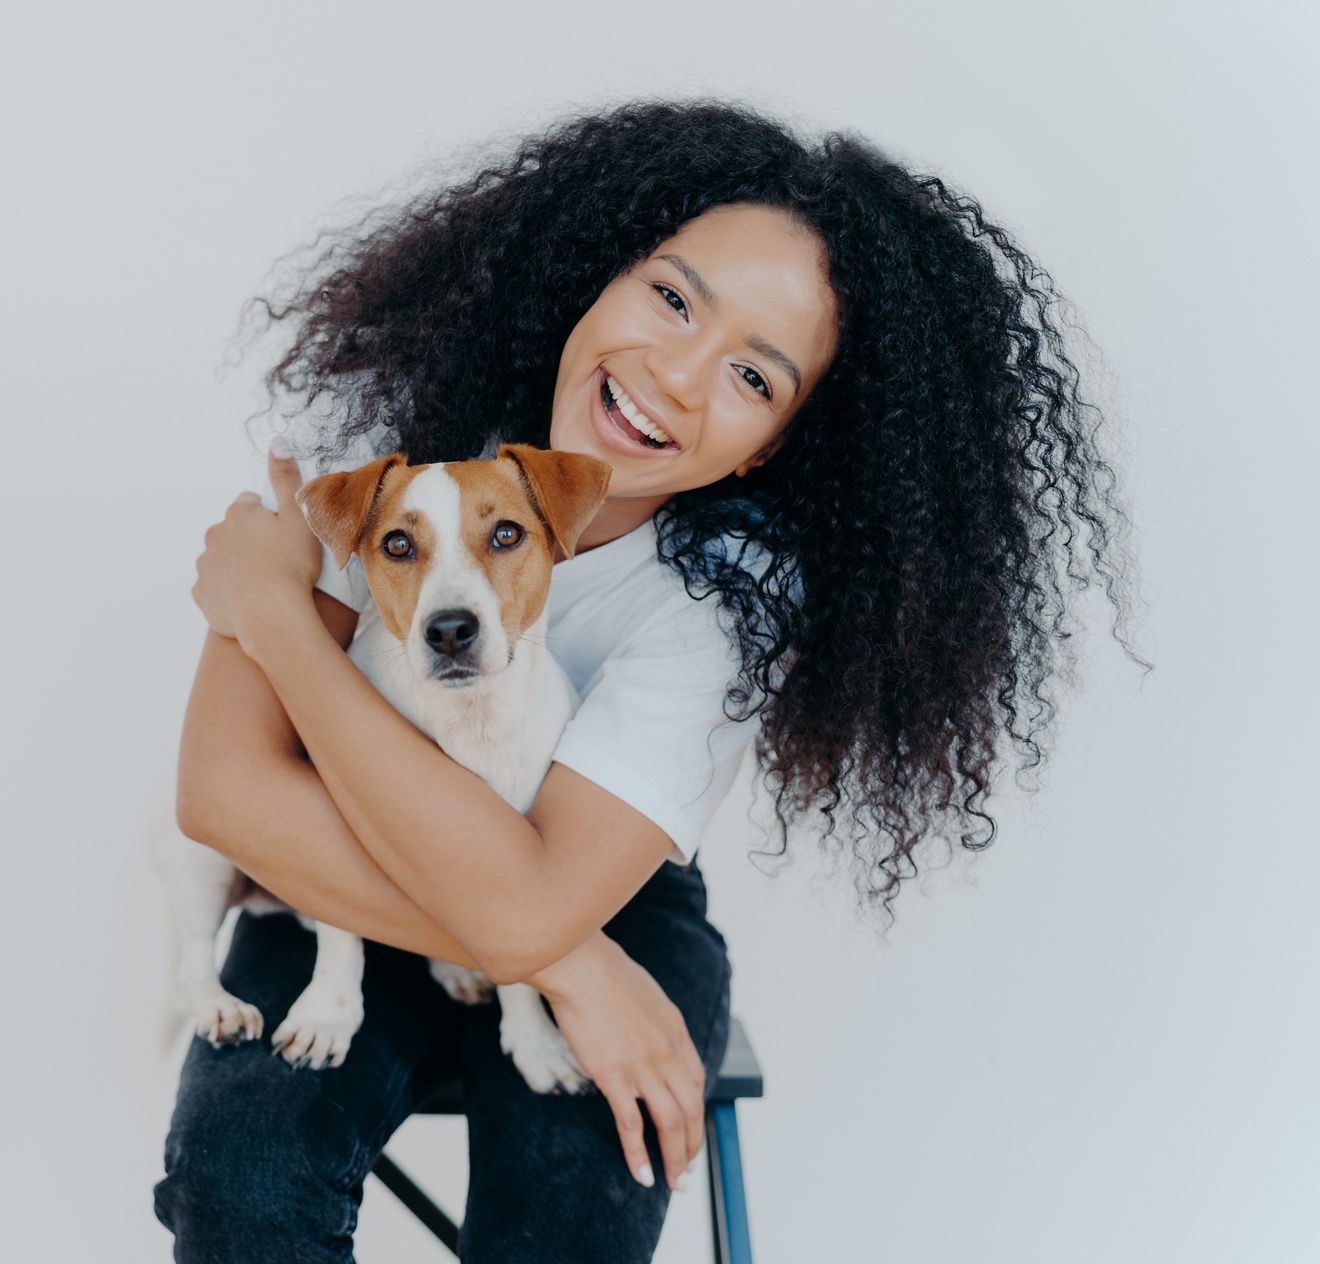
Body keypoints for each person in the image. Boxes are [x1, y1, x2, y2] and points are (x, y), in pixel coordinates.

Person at [155, 99, 1145, 1262]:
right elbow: (223, 794)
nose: (675, 376)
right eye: (672, 297)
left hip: (592, 878)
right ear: (596, 264)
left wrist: (279, 618)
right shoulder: (393, 442)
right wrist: (573, 971)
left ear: (775, 442)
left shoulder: (727, 597)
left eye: (753, 377)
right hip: (339, 860)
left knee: (569, 1214)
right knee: (243, 1175)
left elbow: (527, 903)